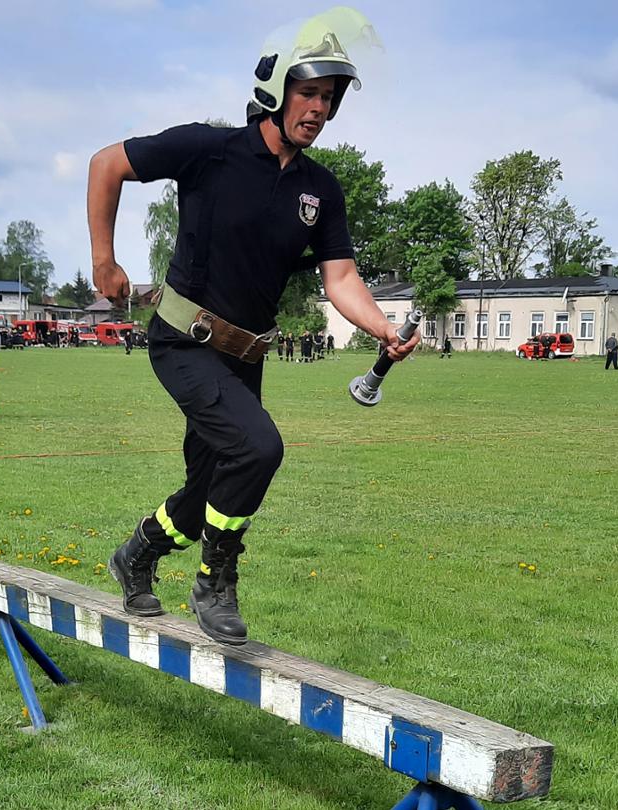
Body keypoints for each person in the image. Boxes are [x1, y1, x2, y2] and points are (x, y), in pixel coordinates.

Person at [88, 7, 416, 646]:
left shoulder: (321, 190)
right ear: (276, 87)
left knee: (206, 488)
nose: (319, 108)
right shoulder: (211, 150)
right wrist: (105, 258)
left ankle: (137, 553)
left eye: (330, 97)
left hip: (246, 357)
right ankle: (214, 581)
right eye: (309, 92)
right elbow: (107, 164)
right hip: (182, 340)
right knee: (259, 448)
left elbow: (341, 278)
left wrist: (381, 326)